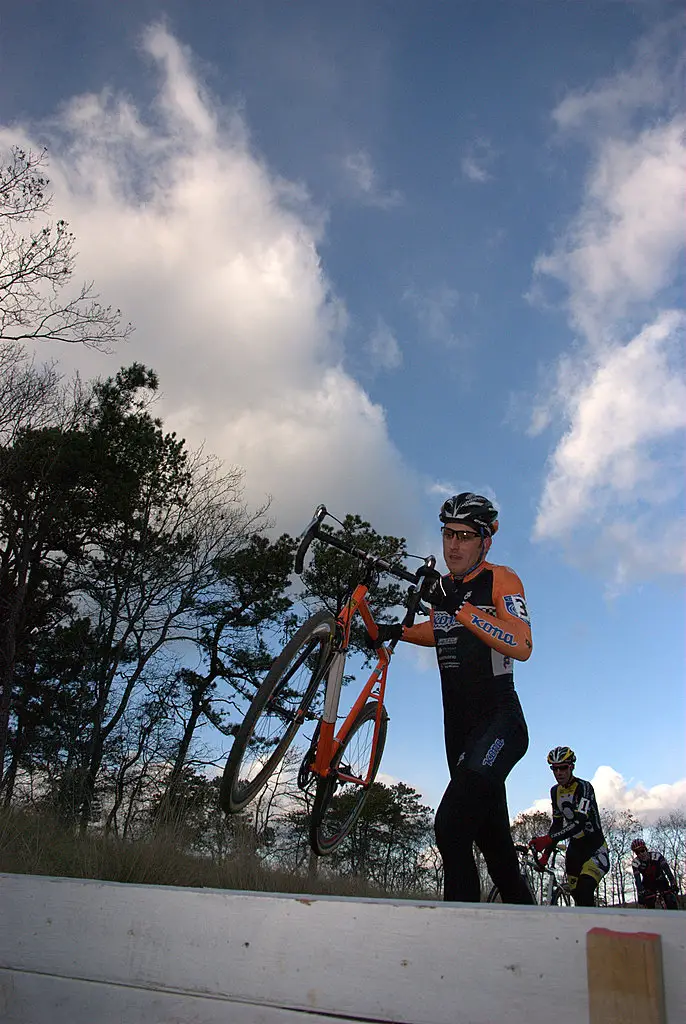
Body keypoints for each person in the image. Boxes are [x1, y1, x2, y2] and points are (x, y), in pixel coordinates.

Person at [368, 492, 534, 904]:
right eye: (448, 535)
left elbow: (521, 642)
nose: (453, 546)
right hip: (458, 733)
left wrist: (460, 607)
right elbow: (440, 628)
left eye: (464, 536)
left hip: (500, 725)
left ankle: (458, 940)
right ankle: (535, 936)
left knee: (451, 827)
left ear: (485, 542)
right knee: (497, 855)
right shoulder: (443, 588)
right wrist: (398, 631)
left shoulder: (502, 579)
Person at [530, 747, 609, 907]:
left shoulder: (584, 787)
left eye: (563, 767)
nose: (559, 772)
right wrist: (546, 856)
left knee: (585, 891)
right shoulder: (555, 791)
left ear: (571, 767)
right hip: (574, 851)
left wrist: (548, 839)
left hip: (594, 848)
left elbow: (578, 822)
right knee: (578, 899)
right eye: (554, 768)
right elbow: (557, 825)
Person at [630, 838, 679, 909]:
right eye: (637, 852)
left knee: (669, 898)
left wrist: (673, 883)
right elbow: (637, 880)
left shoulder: (657, 856)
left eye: (642, 850)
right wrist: (640, 892)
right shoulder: (636, 863)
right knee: (649, 901)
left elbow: (667, 870)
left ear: (646, 849)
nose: (641, 854)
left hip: (661, 880)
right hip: (648, 884)